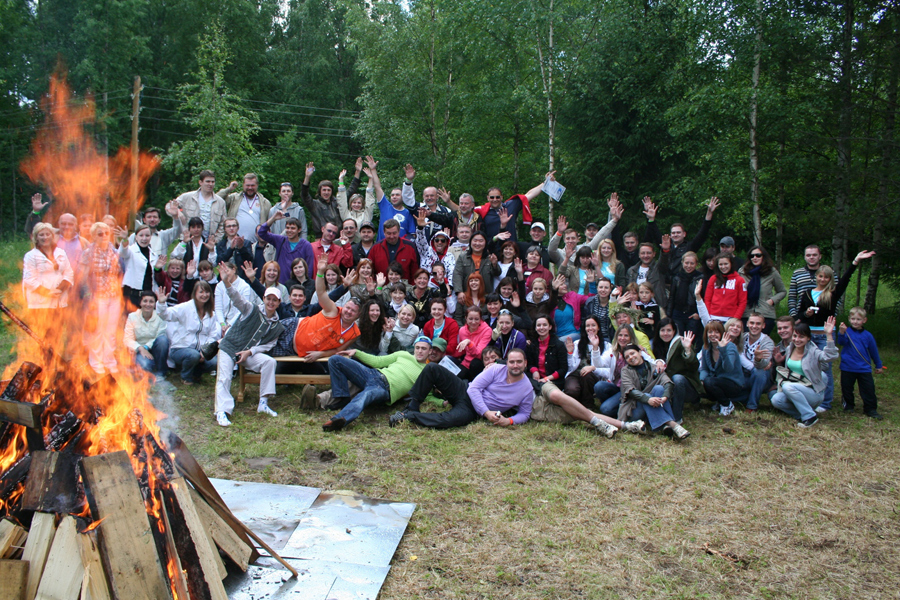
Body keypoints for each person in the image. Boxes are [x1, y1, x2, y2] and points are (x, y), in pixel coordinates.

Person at [797, 250, 874, 412]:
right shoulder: (807, 294)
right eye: (820, 276)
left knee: (826, 369)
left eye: (826, 277)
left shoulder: (832, 294)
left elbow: (846, 279)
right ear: (816, 277)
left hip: (825, 336)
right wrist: (806, 314)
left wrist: (855, 261)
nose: (823, 279)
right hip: (809, 336)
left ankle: (825, 402)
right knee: (806, 366)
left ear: (830, 279)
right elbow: (799, 314)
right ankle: (808, 396)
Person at [389, 348, 534, 429]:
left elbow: (525, 413)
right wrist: (486, 412)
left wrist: (509, 421)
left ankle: (408, 416)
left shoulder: (527, 389)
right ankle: (412, 406)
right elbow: (473, 389)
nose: (515, 365)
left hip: (471, 410)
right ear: (507, 363)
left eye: (519, 362)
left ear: (525, 363)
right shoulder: (496, 369)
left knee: (448, 421)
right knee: (432, 368)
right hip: (464, 390)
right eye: (512, 362)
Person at [213, 262, 284, 426]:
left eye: (274, 300)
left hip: (246, 354)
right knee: (224, 377)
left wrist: (249, 352)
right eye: (268, 299)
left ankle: (263, 403)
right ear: (263, 299)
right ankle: (222, 411)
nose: (271, 303)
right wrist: (226, 282)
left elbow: (267, 346)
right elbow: (237, 298)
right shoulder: (251, 309)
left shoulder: (277, 326)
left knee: (269, 362)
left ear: (279, 303)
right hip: (230, 347)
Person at [322, 338, 433, 431]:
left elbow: (428, 395)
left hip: (384, 388)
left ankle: (339, 420)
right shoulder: (403, 354)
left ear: (430, 351)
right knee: (335, 360)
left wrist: (441, 402)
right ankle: (342, 397)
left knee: (364, 396)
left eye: (424, 349)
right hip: (373, 374)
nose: (420, 351)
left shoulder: (426, 372)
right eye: (417, 348)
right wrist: (356, 352)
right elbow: (378, 361)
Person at [275, 256, 362, 361]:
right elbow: (321, 293)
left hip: (294, 351)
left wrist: (320, 354)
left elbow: (338, 350)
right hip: (291, 329)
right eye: (347, 308)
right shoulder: (333, 311)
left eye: (353, 311)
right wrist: (320, 272)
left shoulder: (354, 333)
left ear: (358, 315)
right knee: (259, 342)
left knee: (264, 353)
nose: (348, 311)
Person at [770, 318, 839, 428]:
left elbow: (830, 357)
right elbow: (788, 373)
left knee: (787, 386)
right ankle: (803, 414)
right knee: (776, 399)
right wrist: (779, 362)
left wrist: (829, 335)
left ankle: (809, 417)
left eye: (801, 337)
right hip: (796, 388)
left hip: (813, 392)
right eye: (795, 336)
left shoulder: (813, 351)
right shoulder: (790, 348)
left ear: (808, 338)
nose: (797, 339)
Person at [78, 222, 122, 374]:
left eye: (106, 233)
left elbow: (119, 273)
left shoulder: (114, 251)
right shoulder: (88, 253)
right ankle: (96, 362)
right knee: (97, 330)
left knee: (110, 331)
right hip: (97, 296)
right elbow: (82, 277)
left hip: (114, 296)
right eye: (100, 234)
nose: (104, 236)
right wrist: (88, 296)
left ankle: (109, 360)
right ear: (93, 236)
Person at [619, 345, 690, 439]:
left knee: (659, 389)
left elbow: (668, 382)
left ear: (640, 352)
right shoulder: (625, 371)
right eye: (627, 357)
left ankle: (665, 426)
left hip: (653, 404)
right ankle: (673, 424)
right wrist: (648, 399)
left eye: (632, 353)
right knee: (647, 395)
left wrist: (665, 397)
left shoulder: (654, 367)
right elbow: (631, 391)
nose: (631, 357)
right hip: (634, 408)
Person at [156, 281, 219, 384]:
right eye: (201, 292)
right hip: (180, 349)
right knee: (193, 355)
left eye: (207, 292)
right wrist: (161, 303)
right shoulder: (185, 307)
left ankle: (195, 373)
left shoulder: (211, 313)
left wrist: (205, 351)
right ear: (195, 293)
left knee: (214, 362)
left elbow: (212, 335)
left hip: (200, 351)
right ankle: (186, 377)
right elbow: (165, 315)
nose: (204, 295)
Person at [643, 196, 720, 277]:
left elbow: (702, 234)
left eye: (678, 232)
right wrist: (651, 219)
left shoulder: (689, 247)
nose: (676, 234)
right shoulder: (666, 246)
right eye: (673, 233)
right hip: (665, 281)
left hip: (681, 280)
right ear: (670, 235)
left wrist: (709, 214)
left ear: (684, 234)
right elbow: (654, 233)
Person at [837, 307, 883, 419]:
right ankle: (848, 406)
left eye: (858, 319)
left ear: (864, 320)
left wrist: (878, 365)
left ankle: (870, 409)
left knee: (868, 389)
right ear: (849, 319)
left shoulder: (868, 335)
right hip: (848, 366)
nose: (855, 322)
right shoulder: (846, 332)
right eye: (853, 319)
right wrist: (841, 333)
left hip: (864, 368)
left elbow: (873, 351)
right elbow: (841, 342)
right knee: (847, 388)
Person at [652, 320, 700, 420]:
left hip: (686, 387)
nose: (665, 333)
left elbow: (694, 366)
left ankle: (676, 417)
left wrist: (687, 350)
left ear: (674, 331)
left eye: (669, 330)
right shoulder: (656, 345)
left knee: (677, 378)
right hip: (667, 386)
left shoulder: (681, 343)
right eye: (662, 330)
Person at [562, 316, 615, 408]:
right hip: (576, 374)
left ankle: (588, 405)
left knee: (587, 375)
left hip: (593, 376)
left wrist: (595, 347)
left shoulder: (607, 346)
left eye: (593, 325)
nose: (590, 328)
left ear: (598, 327)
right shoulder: (577, 343)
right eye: (587, 326)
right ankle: (575, 404)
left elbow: (605, 368)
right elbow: (570, 367)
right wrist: (570, 353)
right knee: (572, 390)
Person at [218, 173, 272, 263]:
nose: (250, 188)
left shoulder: (265, 202)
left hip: (256, 245)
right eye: (247, 185)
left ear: (257, 185)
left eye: (252, 185)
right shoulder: (234, 198)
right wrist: (229, 189)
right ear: (243, 185)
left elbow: (268, 224)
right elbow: (217, 199)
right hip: (235, 243)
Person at [23, 222, 73, 310]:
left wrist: (60, 289)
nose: (45, 237)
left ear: (52, 236)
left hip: (59, 301)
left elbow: (69, 273)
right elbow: (29, 279)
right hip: (40, 303)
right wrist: (47, 292)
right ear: (36, 237)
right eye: (41, 235)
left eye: (47, 234)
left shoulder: (61, 252)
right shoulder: (30, 256)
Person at [256, 209, 316, 284]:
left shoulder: (306, 245)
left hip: (298, 286)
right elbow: (261, 232)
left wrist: (305, 284)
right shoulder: (280, 240)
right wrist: (273, 218)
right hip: (281, 283)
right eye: (287, 228)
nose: (289, 230)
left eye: (293, 228)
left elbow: (309, 268)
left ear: (299, 230)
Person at [699, 320, 743, 416]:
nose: (713, 335)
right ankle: (720, 401)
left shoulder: (730, 346)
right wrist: (701, 381)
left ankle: (727, 405)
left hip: (732, 383)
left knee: (709, 382)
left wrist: (722, 349)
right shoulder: (706, 347)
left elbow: (729, 368)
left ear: (722, 333)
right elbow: (704, 368)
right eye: (710, 332)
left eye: (716, 332)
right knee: (701, 384)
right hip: (716, 381)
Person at [366, 157, 416, 240]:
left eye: (397, 195)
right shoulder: (385, 206)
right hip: (382, 246)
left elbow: (412, 234)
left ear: (403, 197)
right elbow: (377, 187)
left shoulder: (408, 213)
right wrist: (373, 170)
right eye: (392, 195)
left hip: (400, 247)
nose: (394, 197)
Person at [302, 161, 361, 233]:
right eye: (324, 190)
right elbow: (304, 194)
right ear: (320, 191)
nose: (326, 192)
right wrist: (307, 177)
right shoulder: (314, 205)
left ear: (331, 191)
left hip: (338, 236)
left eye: (328, 190)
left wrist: (358, 171)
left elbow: (351, 190)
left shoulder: (337, 202)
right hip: (322, 236)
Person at [738, 246, 785, 333]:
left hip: (765, 313)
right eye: (752, 256)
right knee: (745, 339)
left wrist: (772, 301)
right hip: (746, 313)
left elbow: (782, 291)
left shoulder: (772, 271)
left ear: (763, 256)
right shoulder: (742, 272)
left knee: (762, 340)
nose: (755, 258)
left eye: (758, 255)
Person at [124, 291, 169, 377]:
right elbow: (127, 338)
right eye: (145, 301)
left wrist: (146, 347)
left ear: (155, 304)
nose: (148, 304)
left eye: (151, 302)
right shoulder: (132, 317)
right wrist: (141, 348)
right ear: (140, 303)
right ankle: (146, 367)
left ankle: (161, 372)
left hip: (155, 348)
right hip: (138, 350)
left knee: (163, 340)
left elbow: (160, 335)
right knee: (145, 365)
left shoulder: (160, 317)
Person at [175, 170, 227, 242]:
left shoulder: (220, 202)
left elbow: (223, 224)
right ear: (200, 182)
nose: (210, 184)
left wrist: (216, 240)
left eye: (213, 182)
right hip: (188, 240)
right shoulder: (187, 197)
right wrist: (178, 212)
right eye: (207, 181)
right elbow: (169, 207)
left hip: (208, 242)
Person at [738, 313, 774, 413]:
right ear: (747, 324)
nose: (754, 326)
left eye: (758, 324)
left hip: (760, 378)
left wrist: (758, 360)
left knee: (759, 371)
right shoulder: (742, 338)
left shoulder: (767, 342)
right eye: (752, 323)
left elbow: (765, 365)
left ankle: (752, 406)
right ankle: (743, 398)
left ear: (763, 325)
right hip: (744, 375)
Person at [118, 224, 160, 309]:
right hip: (131, 295)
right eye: (141, 235)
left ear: (150, 237)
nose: (144, 238)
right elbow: (122, 252)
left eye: (147, 235)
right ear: (136, 237)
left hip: (147, 296)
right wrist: (125, 239)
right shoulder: (131, 251)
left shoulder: (154, 255)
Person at [667, 251, 704, 342]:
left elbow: (703, 297)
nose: (689, 266)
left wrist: (699, 314)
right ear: (682, 262)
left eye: (692, 263)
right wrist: (669, 315)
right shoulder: (677, 277)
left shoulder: (700, 278)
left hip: (692, 313)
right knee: (678, 339)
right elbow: (672, 297)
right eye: (686, 263)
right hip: (678, 313)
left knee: (691, 340)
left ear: (696, 264)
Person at [626, 239, 670, 308]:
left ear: (654, 254)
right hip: (635, 306)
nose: (646, 255)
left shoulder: (658, 268)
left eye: (649, 253)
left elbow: (664, 261)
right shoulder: (631, 270)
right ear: (639, 254)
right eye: (643, 253)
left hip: (656, 306)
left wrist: (665, 251)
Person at [525, 315, 568, 386]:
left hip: (554, 381)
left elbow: (563, 369)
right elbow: (529, 363)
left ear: (550, 327)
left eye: (545, 325)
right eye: (539, 325)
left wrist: (546, 379)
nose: (541, 328)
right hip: (536, 379)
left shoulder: (559, 345)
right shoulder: (532, 344)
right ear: (535, 328)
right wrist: (534, 371)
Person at [703, 253, 747, 322]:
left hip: (731, 319)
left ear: (731, 264)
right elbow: (707, 299)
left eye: (726, 264)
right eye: (721, 264)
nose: (723, 267)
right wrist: (709, 315)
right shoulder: (713, 279)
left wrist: (736, 318)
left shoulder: (740, 280)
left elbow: (742, 301)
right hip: (713, 317)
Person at [455, 306, 493, 380]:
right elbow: (461, 351)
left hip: (479, 363)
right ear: (466, 318)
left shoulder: (487, 330)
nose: (473, 322)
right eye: (470, 319)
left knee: (475, 363)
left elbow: (479, 354)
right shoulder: (462, 330)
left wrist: (469, 343)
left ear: (480, 319)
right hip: (466, 362)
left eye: (476, 319)